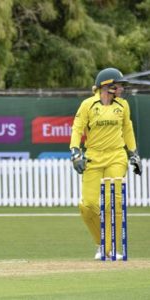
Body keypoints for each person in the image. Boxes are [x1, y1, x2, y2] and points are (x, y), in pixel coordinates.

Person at [70, 67, 142, 260]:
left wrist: (133, 154)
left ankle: (110, 249)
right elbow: (77, 129)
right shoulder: (88, 105)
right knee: (88, 206)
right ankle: (101, 244)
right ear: (107, 86)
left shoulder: (123, 105)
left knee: (114, 203)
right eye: (118, 85)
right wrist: (75, 152)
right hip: (93, 156)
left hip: (117, 156)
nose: (121, 89)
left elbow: (127, 129)